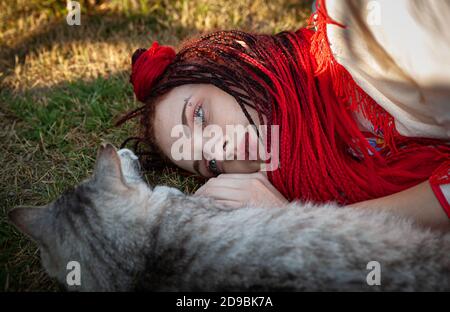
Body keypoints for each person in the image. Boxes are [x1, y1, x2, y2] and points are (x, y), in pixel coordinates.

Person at [118, 0, 450, 229]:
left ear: (234, 60)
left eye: (200, 116)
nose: (220, 150)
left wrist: (303, 223)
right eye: (210, 165)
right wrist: (294, 220)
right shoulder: (334, 181)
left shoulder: (360, 29)